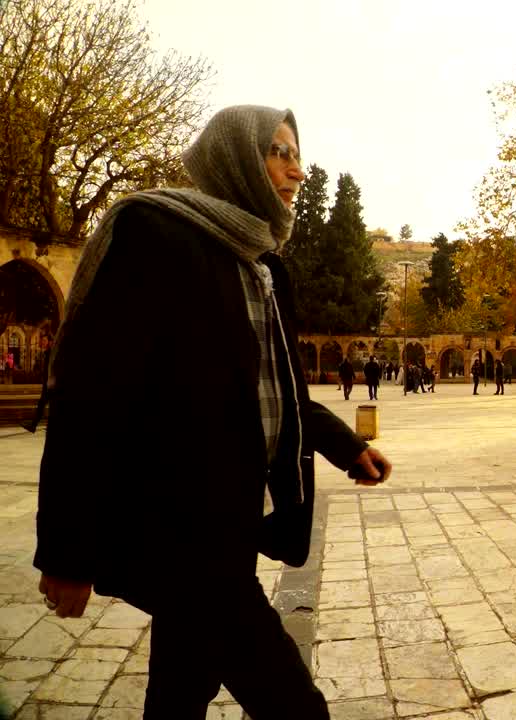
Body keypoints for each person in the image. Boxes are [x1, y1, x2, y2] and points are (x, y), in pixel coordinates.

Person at [33, 105, 392, 719]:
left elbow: (272, 385)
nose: (296, 171)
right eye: (278, 151)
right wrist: (67, 550)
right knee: (295, 706)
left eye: (297, 154)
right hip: (180, 527)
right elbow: (92, 392)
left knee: (180, 688)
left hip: (235, 523)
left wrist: (343, 444)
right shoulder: (156, 233)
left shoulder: (263, 262)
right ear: (233, 156)